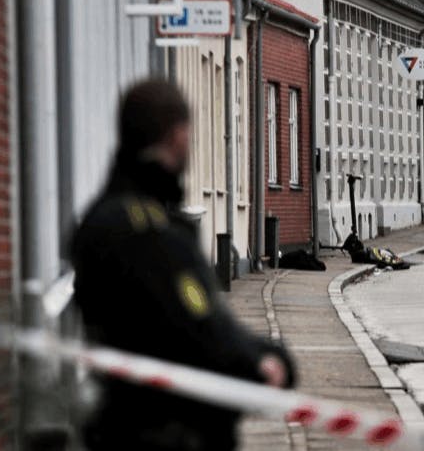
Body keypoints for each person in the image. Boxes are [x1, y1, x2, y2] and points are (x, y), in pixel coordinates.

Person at [70, 79, 296, 451]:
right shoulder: (152, 234)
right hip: (170, 432)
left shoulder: (99, 219)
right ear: (176, 137)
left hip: (117, 424)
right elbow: (200, 321)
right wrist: (265, 362)